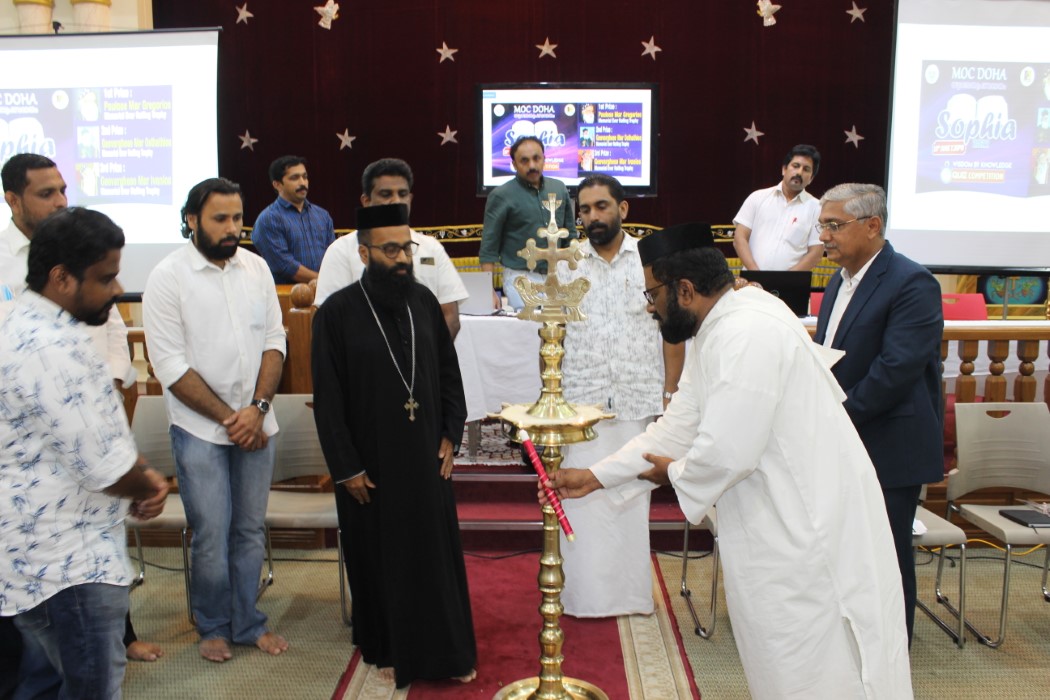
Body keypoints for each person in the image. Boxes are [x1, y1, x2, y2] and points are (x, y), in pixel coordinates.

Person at [548, 225, 913, 699]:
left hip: (808, 530)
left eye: (652, 294)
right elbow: (677, 427)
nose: (649, 307)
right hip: (779, 520)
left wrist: (671, 473)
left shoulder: (745, 332)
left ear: (685, 290)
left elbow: (725, 454)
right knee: (780, 665)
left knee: (816, 669)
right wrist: (594, 476)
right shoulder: (722, 324)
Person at [0, 207, 168, 699]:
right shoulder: (47, 348)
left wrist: (134, 473)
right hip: (67, 566)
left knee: (45, 685)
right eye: (105, 278)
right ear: (61, 278)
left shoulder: (25, 327)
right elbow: (104, 467)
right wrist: (149, 485)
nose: (118, 289)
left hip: (42, 557)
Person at [311, 203, 476, 689]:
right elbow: (328, 400)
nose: (402, 258)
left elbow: (448, 373)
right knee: (380, 558)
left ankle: (446, 650)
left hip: (425, 456)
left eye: (406, 248)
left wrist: (450, 432)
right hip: (370, 463)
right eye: (390, 250)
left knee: (433, 557)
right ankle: (387, 648)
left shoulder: (423, 301)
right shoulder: (336, 314)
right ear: (364, 254)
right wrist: (346, 467)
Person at [142, 177, 289, 663]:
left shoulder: (257, 268)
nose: (232, 228)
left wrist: (257, 410)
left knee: (248, 530)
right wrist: (232, 419)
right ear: (191, 220)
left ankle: (247, 622)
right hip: (200, 430)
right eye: (219, 219)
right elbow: (170, 366)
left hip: (257, 424)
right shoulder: (167, 276)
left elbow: (275, 341)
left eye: (237, 218)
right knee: (211, 534)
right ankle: (212, 626)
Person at [814, 183, 944, 644]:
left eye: (834, 225)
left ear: (872, 226)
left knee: (886, 559)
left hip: (890, 447)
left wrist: (835, 416)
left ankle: (892, 655)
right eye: (822, 226)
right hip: (845, 440)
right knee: (845, 556)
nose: (824, 236)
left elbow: (895, 371)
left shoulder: (912, 282)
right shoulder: (838, 280)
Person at [558, 174, 686, 617]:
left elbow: (672, 332)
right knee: (581, 500)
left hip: (637, 397)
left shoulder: (651, 261)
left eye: (601, 206)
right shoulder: (566, 264)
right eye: (585, 209)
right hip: (582, 401)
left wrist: (670, 394)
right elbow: (552, 335)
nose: (593, 216)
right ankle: (582, 599)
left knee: (630, 501)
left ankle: (630, 597)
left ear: (623, 209)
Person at [314, 158, 467, 338]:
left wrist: (426, 353)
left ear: (410, 199)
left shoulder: (431, 247)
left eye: (402, 194)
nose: (396, 201)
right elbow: (330, 322)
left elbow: (450, 317)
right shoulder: (341, 250)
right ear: (366, 201)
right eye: (386, 194)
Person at [479, 136, 576, 310]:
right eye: (524, 161)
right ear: (514, 164)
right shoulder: (501, 195)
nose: (532, 165)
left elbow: (571, 238)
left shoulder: (559, 189)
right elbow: (489, 248)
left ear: (544, 159)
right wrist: (487, 290)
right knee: (534, 320)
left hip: (559, 276)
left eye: (536, 158)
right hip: (520, 277)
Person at [732, 144, 823, 271]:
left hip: (790, 282)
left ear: (811, 178)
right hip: (752, 279)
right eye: (795, 166)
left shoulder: (817, 208)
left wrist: (785, 279)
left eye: (806, 169)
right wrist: (756, 274)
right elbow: (739, 238)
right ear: (784, 169)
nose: (799, 172)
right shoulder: (757, 197)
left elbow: (816, 253)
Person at [251, 155, 335, 284]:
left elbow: (333, 255)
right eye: (295, 178)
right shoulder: (269, 219)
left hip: (326, 291)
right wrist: (325, 281)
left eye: (305, 177)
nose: (303, 183)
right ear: (277, 185)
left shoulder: (322, 215)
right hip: (287, 294)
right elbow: (285, 266)